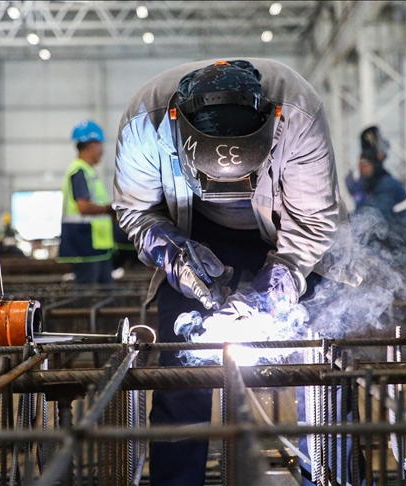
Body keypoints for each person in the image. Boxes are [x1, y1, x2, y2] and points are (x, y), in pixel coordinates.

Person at [113, 59, 358, 486]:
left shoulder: (297, 112)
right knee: (182, 374)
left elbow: (313, 223)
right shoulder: (143, 123)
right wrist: (178, 258)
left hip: (289, 229)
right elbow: (137, 212)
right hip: (194, 231)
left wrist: (272, 290)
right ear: (177, 128)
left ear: (272, 123)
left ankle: (327, 477)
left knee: (321, 371)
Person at [346, 125, 406, 267]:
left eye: (364, 164)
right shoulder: (374, 186)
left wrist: (357, 197)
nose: (360, 168)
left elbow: (372, 216)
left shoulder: (387, 185)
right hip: (397, 238)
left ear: (375, 164)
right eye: (359, 164)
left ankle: (396, 267)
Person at [57, 120, 115, 284]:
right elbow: (83, 206)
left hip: (94, 245)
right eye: (100, 145)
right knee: (87, 291)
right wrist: (109, 209)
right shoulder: (79, 171)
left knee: (105, 290)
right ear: (92, 145)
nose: (102, 151)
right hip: (84, 242)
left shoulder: (88, 172)